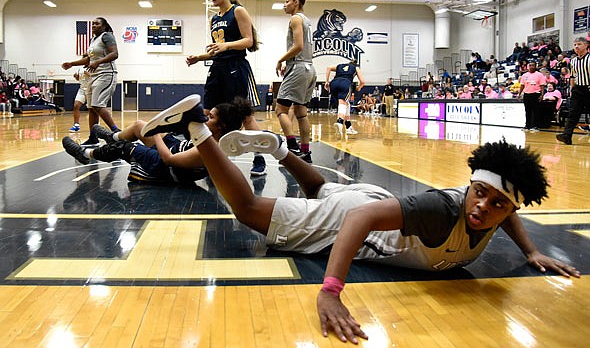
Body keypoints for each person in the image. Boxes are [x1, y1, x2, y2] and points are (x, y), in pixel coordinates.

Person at [140, 94, 580, 344]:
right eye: (480, 194)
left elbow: (505, 214)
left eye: (498, 203)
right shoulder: (443, 210)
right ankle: (197, 125)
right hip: (363, 212)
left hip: (377, 200)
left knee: (318, 191)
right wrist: (330, 293)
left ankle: (278, 150)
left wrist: (533, 250)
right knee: (250, 211)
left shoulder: (490, 208)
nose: (484, 207)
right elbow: (360, 220)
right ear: (471, 187)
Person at [62, 97, 252, 183]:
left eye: (211, 118)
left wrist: (156, 133)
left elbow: (169, 159)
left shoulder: (209, 151)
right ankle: (112, 136)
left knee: (126, 147)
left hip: (166, 167)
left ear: (221, 126)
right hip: (177, 149)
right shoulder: (212, 136)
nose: (206, 118)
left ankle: (86, 154)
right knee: (139, 126)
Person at [184, 0, 266, 177]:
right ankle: (214, 157)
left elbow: (249, 40)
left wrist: (227, 46)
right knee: (209, 113)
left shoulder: (237, 11)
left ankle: (259, 158)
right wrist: (200, 57)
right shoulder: (214, 19)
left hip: (236, 68)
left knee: (244, 116)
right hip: (217, 68)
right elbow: (217, 49)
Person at [62, 17, 120, 146]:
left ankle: (117, 133)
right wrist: (72, 63)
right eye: (93, 23)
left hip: (106, 74)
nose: (94, 25)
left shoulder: (107, 36)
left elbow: (115, 54)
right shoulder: (93, 40)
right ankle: (93, 137)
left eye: (97, 23)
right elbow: (88, 60)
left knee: (97, 105)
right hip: (94, 76)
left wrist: (98, 62)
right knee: (91, 109)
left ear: (104, 26)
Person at [275, 0, 316, 163]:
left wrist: (281, 59)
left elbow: (298, 46)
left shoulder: (295, 19)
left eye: (286, 2)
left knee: (280, 109)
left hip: (299, 67)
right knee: (301, 112)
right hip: (310, 68)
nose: (284, 5)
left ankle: (292, 145)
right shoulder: (307, 20)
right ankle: (306, 151)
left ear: (296, 2)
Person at [557, 37, 590, 144]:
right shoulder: (573, 61)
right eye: (575, 44)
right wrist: (572, 89)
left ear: (586, 45)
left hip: (588, 88)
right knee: (573, 113)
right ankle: (567, 136)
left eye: (579, 44)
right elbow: (572, 76)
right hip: (577, 89)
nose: (576, 46)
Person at [325, 60, 366, 139]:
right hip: (345, 83)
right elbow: (363, 81)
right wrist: (359, 87)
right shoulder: (356, 68)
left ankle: (348, 127)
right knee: (343, 103)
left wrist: (327, 81)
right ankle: (339, 122)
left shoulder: (339, 66)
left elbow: (328, 67)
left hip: (334, 83)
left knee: (346, 104)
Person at [518, 62, 546, 131]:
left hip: (536, 94)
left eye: (533, 65)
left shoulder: (539, 75)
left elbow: (542, 85)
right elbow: (522, 85)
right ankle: (527, 125)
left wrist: (542, 95)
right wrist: (519, 94)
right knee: (527, 111)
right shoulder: (524, 75)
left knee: (536, 111)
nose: (531, 67)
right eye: (530, 65)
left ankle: (536, 126)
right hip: (527, 94)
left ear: (535, 66)